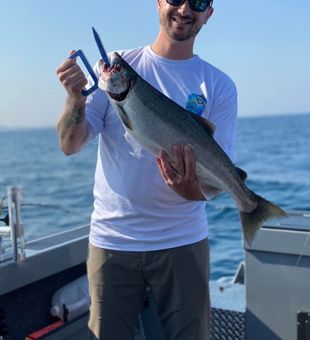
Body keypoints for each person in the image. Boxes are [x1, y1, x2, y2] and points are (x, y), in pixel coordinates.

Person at [56, 0, 237, 339]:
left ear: (208, 13)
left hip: (183, 241)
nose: (184, 9)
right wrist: (75, 101)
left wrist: (190, 191)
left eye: (198, 2)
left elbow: (212, 184)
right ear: (158, 3)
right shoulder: (118, 69)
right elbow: (70, 144)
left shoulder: (218, 85)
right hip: (112, 241)